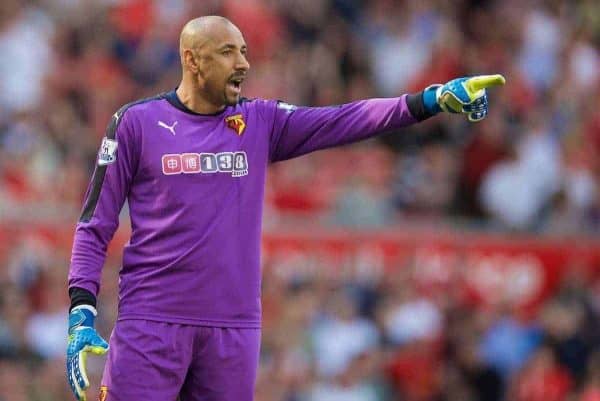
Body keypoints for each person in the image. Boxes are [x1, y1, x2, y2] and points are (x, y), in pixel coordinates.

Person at [66, 15, 505, 401]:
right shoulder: (136, 124)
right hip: (152, 322)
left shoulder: (260, 121)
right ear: (192, 59)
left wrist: (429, 101)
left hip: (232, 330)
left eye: (244, 51)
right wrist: (81, 310)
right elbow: (94, 223)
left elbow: (345, 120)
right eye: (227, 52)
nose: (243, 63)